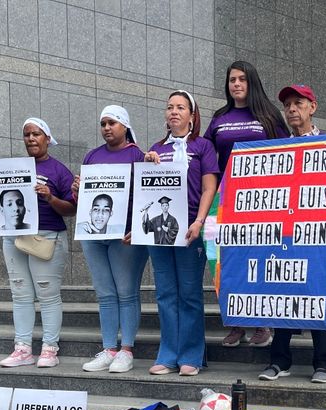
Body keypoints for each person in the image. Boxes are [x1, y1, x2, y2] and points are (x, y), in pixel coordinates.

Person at [204, 60, 289, 348]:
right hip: (228, 203)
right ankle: (236, 323)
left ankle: (263, 324)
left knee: (260, 261)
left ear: (252, 82)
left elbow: (287, 155)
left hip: (263, 203)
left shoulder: (269, 115)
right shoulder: (220, 118)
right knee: (230, 262)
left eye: (242, 79)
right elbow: (206, 159)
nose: (237, 84)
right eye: (232, 80)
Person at [0, 118, 76, 368]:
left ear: (47, 138)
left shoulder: (58, 170)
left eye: (36, 134)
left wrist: (50, 198)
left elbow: (72, 209)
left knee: (47, 295)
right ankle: (22, 348)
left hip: (47, 236)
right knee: (20, 294)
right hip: (14, 237)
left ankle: (49, 348)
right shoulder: (13, 169)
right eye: (27, 135)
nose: (31, 138)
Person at [259, 84, 326, 384]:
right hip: (284, 235)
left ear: (312, 107)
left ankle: (323, 363)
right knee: (281, 294)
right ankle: (279, 360)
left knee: (318, 294)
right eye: (287, 104)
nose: (292, 109)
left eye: (298, 103)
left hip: (318, 236)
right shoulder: (277, 149)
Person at [144, 90, 220, 376]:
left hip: (190, 228)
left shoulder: (203, 146)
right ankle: (168, 354)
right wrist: (147, 165)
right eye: (169, 107)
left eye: (180, 107)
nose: (174, 111)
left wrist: (199, 221)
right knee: (165, 293)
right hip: (160, 234)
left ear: (192, 115)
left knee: (189, 293)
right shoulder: (156, 148)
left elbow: (209, 188)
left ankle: (191, 354)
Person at [75, 105, 149, 374]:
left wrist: (138, 228)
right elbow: (84, 199)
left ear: (125, 126)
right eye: (103, 123)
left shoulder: (138, 155)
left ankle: (126, 350)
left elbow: (148, 195)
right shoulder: (92, 156)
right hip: (94, 235)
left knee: (127, 293)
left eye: (112, 123)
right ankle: (109, 349)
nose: (106, 128)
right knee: (105, 294)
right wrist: (77, 191)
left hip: (126, 236)